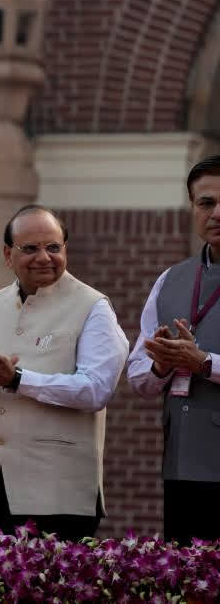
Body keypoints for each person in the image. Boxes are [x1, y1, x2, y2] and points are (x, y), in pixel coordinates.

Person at [0, 204, 128, 540]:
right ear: (8, 254)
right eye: (30, 248)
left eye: (53, 247)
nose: (44, 257)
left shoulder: (93, 306)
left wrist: (17, 380)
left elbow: (96, 389)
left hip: (60, 492)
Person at [128, 155, 220, 544]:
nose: (217, 213)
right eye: (206, 203)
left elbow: (200, 363)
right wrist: (163, 366)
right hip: (183, 465)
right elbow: (137, 376)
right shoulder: (170, 279)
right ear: (192, 208)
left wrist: (203, 363)